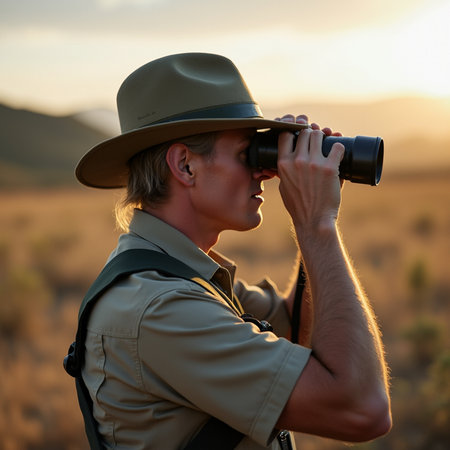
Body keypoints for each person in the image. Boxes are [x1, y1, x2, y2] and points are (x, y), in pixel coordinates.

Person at [73, 53, 391, 449]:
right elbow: (363, 409)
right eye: (249, 154)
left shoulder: (179, 275)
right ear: (185, 165)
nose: (263, 171)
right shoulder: (162, 308)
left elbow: (295, 330)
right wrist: (316, 226)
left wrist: (314, 205)